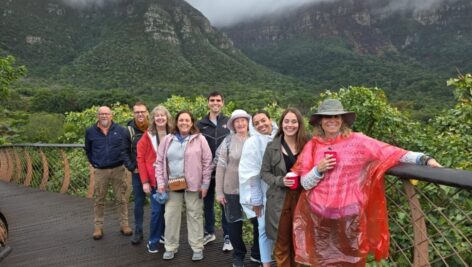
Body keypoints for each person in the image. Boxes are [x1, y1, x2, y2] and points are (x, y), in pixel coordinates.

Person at [292, 99, 441, 266]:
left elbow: (389, 151)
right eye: (327, 116)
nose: (332, 120)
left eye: (336, 116)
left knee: (352, 261)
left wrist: (423, 159)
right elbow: (305, 183)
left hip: (349, 216)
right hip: (320, 218)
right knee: (322, 261)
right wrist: (318, 169)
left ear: (342, 120)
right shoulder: (313, 146)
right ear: (320, 121)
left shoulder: (358, 141)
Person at [156, 110, 212, 261]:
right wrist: (161, 183)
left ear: (192, 122)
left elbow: (207, 163)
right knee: (170, 216)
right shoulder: (168, 139)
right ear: (176, 122)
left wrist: (205, 184)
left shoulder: (200, 139)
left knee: (195, 215)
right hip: (173, 184)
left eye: (187, 120)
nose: (184, 123)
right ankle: (170, 247)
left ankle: (197, 247)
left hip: (194, 185)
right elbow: (160, 162)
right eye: (181, 120)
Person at [261, 107, 308, 267]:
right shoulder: (272, 147)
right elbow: (264, 173)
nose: (290, 125)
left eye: (294, 121)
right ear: (281, 124)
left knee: (298, 243)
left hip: (302, 199)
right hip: (279, 201)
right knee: (282, 244)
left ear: (299, 124)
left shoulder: (307, 145)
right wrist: (281, 180)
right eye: (286, 121)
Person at [215, 109, 260, 267]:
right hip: (231, 189)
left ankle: (256, 253)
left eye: (243, 120)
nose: (240, 123)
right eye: (237, 121)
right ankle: (239, 254)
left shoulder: (256, 139)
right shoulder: (227, 141)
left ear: (248, 123)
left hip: (253, 190)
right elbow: (220, 168)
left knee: (257, 222)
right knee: (234, 224)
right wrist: (219, 192)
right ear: (233, 124)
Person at [85, 106, 132, 240]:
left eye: (106, 114)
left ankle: (124, 225)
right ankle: (98, 227)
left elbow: (127, 148)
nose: (104, 116)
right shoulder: (90, 131)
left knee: (121, 198)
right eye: (101, 114)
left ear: (111, 115)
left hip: (118, 169)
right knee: (99, 199)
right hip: (100, 170)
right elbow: (88, 150)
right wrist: (94, 163)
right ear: (97, 116)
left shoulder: (121, 130)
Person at [239, 110, 278, 267]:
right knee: (263, 227)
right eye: (256, 123)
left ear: (270, 119)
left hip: (283, 187)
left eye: (263, 120)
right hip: (263, 189)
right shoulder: (252, 142)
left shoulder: (280, 136)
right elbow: (251, 173)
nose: (261, 125)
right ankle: (266, 263)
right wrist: (256, 199)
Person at [197, 91, 233, 251]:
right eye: (212, 100)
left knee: (225, 204)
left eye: (218, 100)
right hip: (205, 172)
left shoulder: (229, 122)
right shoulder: (200, 124)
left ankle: (227, 236)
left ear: (223, 103)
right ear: (208, 102)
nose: (215, 103)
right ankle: (209, 232)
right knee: (208, 203)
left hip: (224, 172)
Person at [136, 105, 172, 253]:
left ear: (167, 117)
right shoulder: (148, 135)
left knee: (169, 211)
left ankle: (165, 236)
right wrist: (144, 181)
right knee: (157, 211)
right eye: (157, 116)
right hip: (155, 179)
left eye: (163, 115)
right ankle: (153, 240)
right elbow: (141, 159)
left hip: (173, 179)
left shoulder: (174, 133)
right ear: (153, 118)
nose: (160, 118)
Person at [123, 102, 149, 245]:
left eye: (142, 112)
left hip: (153, 172)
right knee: (138, 202)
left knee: (159, 202)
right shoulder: (128, 130)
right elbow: (124, 152)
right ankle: (138, 231)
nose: (140, 114)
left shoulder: (154, 127)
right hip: (138, 173)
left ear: (147, 112)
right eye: (137, 112)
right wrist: (132, 167)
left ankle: (160, 232)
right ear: (133, 114)